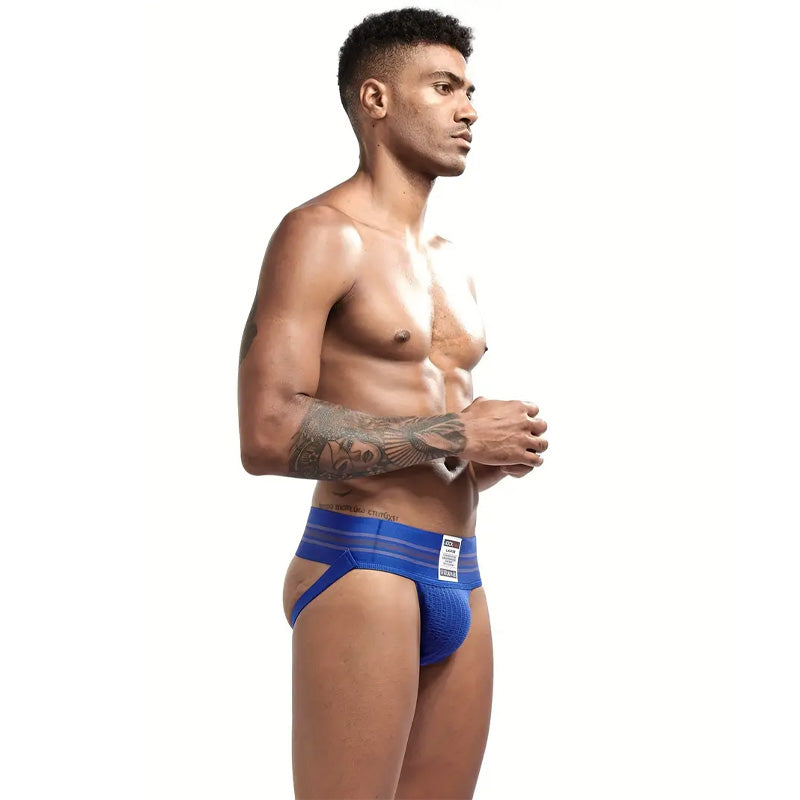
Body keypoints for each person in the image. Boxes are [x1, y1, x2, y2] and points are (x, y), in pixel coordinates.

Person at [237, 7, 548, 799]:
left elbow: (430, 434)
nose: (469, 110)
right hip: (363, 566)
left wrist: (484, 458)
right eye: (443, 87)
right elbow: (266, 433)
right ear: (375, 99)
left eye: (470, 90)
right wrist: (455, 431)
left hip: (459, 569)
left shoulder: (453, 263)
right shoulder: (320, 234)